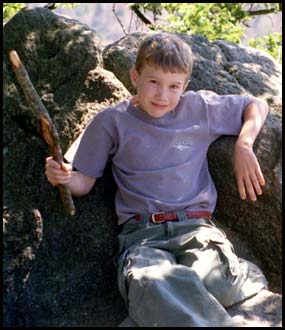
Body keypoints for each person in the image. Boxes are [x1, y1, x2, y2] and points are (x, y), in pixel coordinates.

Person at [45, 33, 269, 327]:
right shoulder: (111, 121)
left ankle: (173, 302)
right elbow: (83, 182)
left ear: (185, 86)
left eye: (173, 86)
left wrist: (243, 145)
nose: (163, 95)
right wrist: (61, 177)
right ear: (135, 75)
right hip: (143, 235)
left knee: (218, 283)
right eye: (153, 82)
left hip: (196, 230)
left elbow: (256, 105)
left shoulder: (199, 108)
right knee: (150, 281)